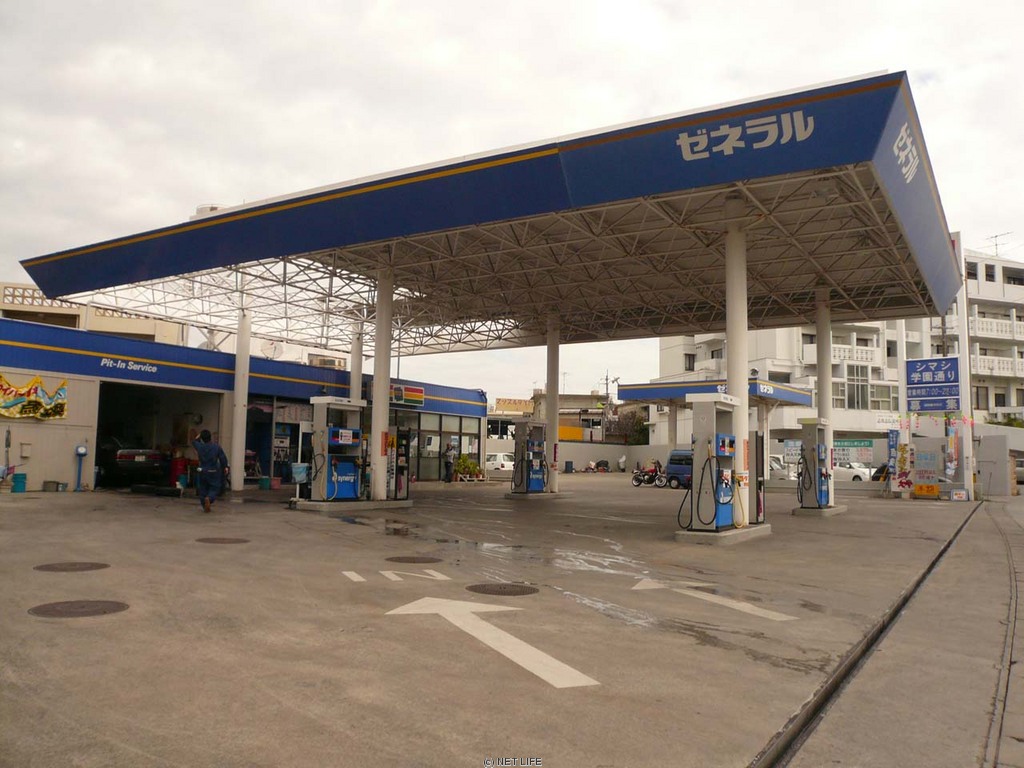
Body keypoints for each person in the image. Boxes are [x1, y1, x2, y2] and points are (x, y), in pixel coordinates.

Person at [192, 429, 229, 513]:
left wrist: (199, 436)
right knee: (214, 487)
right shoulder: (216, 447)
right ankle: (209, 498)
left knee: (203, 488)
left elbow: (194, 441)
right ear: (210, 437)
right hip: (213, 470)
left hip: (202, 470)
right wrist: (225, 467)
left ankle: (204, 504)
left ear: (202, 438)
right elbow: (222, 458)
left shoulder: (200, 447)